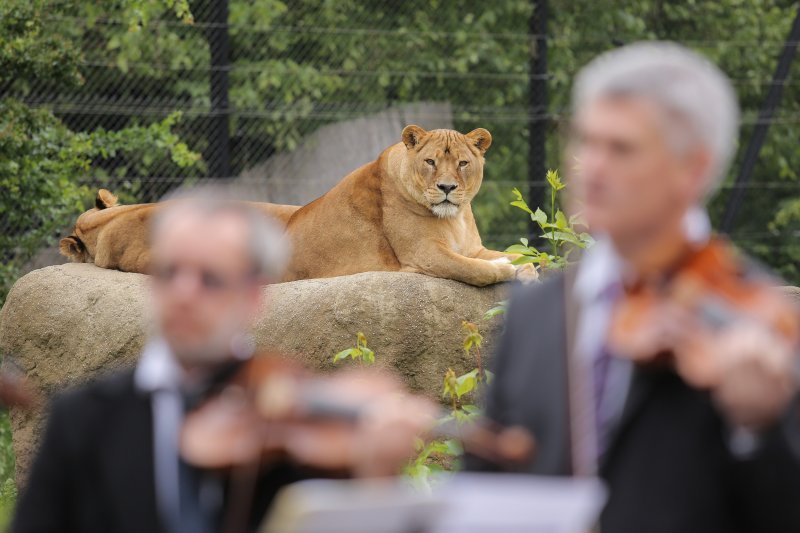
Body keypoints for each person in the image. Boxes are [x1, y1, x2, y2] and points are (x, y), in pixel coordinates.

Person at [467, 42, 800, 532]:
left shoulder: (756, 314)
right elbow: (484, 490)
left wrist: (757, 428)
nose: (592, 167)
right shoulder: (534, 311)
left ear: (694, 169)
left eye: (620, 148)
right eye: (586, 141)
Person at [12, 189, 434, 533]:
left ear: (253, 297)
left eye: (210, 279)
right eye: (170, 272)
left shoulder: (297, 423)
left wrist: (376, 480)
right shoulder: (82, 420)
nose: (184, 293)